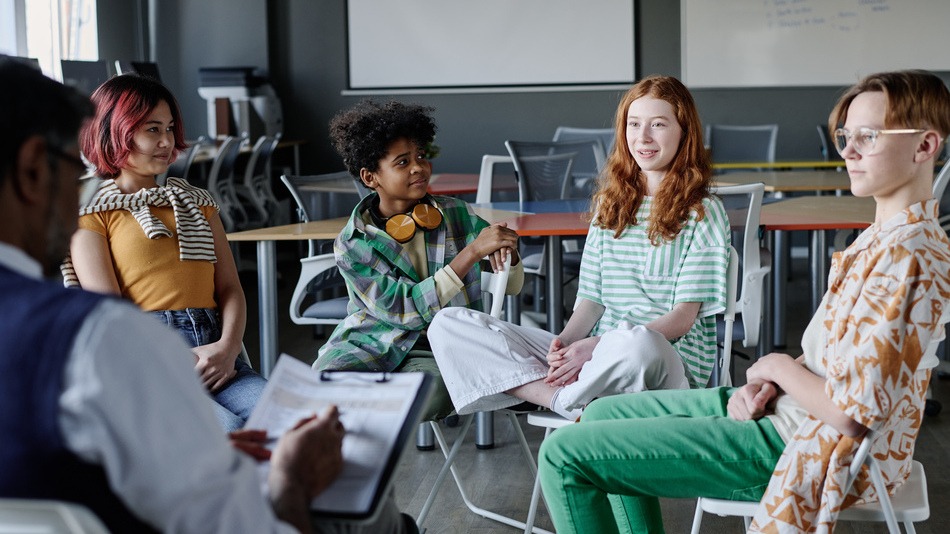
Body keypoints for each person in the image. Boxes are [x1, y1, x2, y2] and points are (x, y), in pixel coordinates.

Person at [0, 56, 414, 534]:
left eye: (169, 128)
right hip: (166, 367)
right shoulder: (99, 330)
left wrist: (222, 356)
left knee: (301, 429)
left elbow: (228, 289)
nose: (77, 197)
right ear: (33, 168)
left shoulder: (190, 205)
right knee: (301, 461)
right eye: (73, 169)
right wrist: (285, 486)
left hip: (216, 357)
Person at [537, 70, 950, 534]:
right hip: (788, 412)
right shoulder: (884, 238)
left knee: (562, 454)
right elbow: (837, 361)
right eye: (845, 136)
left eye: (868, 137)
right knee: (598, 412)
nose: (849, 152)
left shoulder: (908, 256)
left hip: (802, 442)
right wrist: (774, 386)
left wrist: (776, 368)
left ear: (925, 147)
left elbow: (853, 414)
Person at [427, 75, 731, 420]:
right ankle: (562, 399)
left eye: (658, 124)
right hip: (596, 355)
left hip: (658, 359)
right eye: (634, 124)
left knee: (637, 343)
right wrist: (564, 347)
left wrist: (595, 347)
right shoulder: (610, 203)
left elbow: (682, 319)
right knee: (447, 323)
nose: (642, 137)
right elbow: (591, 302)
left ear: (683, 132)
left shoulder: (703, 212)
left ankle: (565, 396)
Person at [63, 73, 264, 432]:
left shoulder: (197, 202)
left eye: (170, 129)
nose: (167, 141)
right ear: (116, 131)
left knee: (282, 421)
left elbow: (231, 289)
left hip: (217, 349)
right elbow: (110, 314)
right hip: (144, 361)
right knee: (230, 435)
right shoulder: (91, 210)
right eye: (152, 130)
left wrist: (228, 348)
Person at [312, 100, 524, 421]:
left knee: (427, 395)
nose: (418, 167)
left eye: (421, 156)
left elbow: (511, 285)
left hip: (443, 345)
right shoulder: (354, 242)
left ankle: (369, 427)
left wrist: (508, 253)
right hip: (371, 340)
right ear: (371, 177)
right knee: (320, 388)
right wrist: (470, 254)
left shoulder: (456, 214)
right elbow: (404, 311)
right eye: (402, 162)